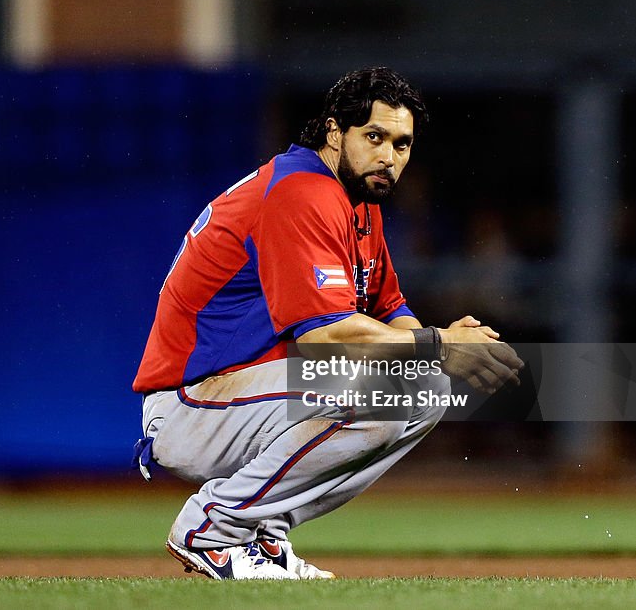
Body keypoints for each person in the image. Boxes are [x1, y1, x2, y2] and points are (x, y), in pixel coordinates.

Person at [131, 67, 523, 580]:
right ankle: (213, 529)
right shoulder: (301, 191)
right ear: (335, 132)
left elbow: (389, 312)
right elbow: (324, 337)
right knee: (382, 388)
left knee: (424, 388)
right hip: (192, 403)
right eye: (375, 137)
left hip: (251, 398)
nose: (389, 156)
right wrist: (441, 343)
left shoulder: (358, 202)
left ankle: (264, 536)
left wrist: (442, 344)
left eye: (402, 144)